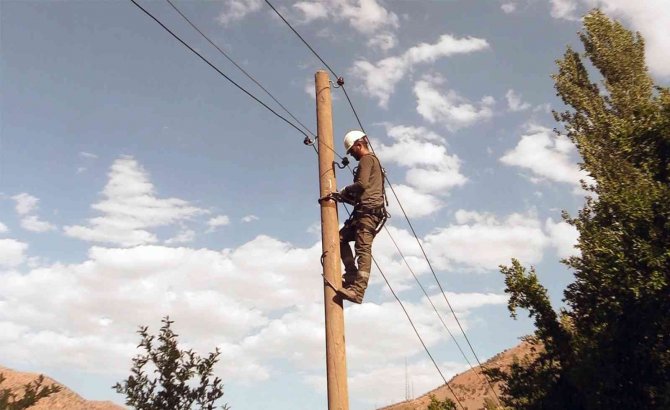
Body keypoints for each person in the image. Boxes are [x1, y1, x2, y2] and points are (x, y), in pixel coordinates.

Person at [322, 130, 386, 303]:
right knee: (339, 238)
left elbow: (361, 184)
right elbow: (362, 193)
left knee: (363, 249)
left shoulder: (367, 159)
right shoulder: (372, 162)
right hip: (363, 212)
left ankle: (358, 291)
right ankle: (350, 275)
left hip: (368, 214)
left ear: (359, 145)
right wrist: (340, 196)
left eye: (352, 151)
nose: (352, 155)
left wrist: (344, 191)